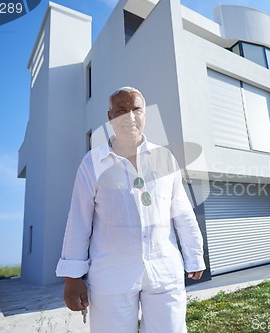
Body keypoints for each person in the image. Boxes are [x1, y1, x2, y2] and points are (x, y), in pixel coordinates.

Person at [56, 87, 206, 333]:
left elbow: (182, 211)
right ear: (110, 117)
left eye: (136, 110)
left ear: (145, 114)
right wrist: (72, 278)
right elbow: (78, 221)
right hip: (110, 277)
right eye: (121, 110)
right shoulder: (92, 163)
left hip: (164, 271)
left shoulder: (165, 158)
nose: (130, 117)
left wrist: (194, 255)